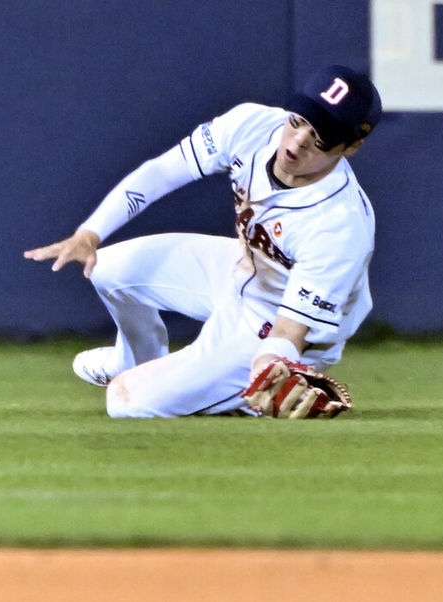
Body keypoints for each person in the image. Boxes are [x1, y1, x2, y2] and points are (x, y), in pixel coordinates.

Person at [24, 65, 382, 418]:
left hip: (282, 326)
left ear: (351, 147)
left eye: (321, 137)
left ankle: (245, 395)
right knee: (105, 269)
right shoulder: (253, 126)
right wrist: (90, 233)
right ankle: (131, 362)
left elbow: (291, 327)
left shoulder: (340, 225)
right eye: (300, 119)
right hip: (244, 270)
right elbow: (162, 172)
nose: (300, 139)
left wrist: (270, 365)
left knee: (124, 401)